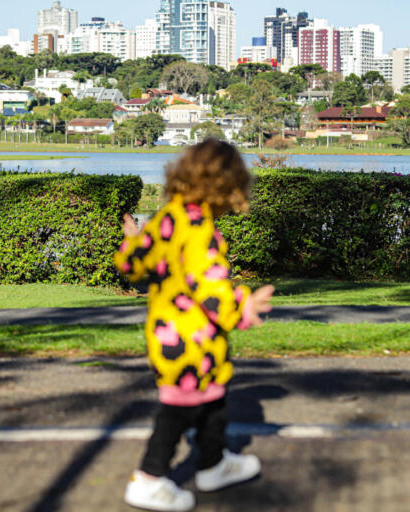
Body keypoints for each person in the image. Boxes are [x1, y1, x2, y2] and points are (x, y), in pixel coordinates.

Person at [115, 139, 274, 511]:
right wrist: (243, 307)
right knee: (179, 410)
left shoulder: (168, 216)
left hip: (169, 334)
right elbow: (210, 287)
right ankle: (149, 479)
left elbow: (133, 264)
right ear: (227, 186)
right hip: (191, 339)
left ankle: (212, 465)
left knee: (213, 399)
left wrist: (132, 242)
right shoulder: (199, 227)